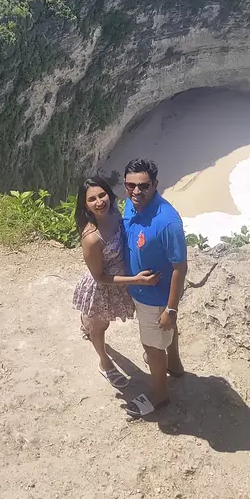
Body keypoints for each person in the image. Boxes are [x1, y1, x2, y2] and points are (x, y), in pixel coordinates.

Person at [71, 176, 158, 389]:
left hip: (121, 280)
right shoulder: (91, 238)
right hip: (103, 288)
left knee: (96, 322)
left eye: (102, 195)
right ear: (85, 204)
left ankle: (87, 321)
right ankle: (104, 362)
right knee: (100, 328)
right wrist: (136, 280)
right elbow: (99, 276)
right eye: (92, 199)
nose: (99, 202)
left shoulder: (114, 213)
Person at [120, 158, 188, 418]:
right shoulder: (131, 204)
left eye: (143, 186)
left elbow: (180, 268)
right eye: (130, 185)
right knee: (165, 333)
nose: (136, 191)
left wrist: (171, 308)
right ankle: (175, 366)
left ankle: (160, 395)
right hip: (140, 289)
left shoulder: (168, 222)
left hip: (155, 296)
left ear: (155, 185)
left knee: (152, 346)